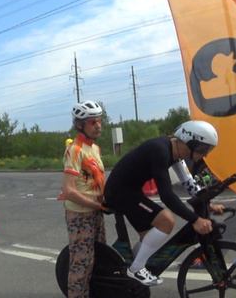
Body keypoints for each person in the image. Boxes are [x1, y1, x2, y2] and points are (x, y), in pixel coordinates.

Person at [103, 120, 224, 286]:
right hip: (120, 193)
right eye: (204, 149)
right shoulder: (160, 150)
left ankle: (129, 271)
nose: (205, 155)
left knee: (148, 237)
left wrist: (207, 203)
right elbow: (167, 195)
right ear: (191, 142)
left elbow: (188, 182)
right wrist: (195, 220)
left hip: (130, 191)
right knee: (166, 220)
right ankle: (135, 270)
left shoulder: (176, 152)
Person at [59, 100, 106, 298]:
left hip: (96, 211)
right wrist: (97, 204)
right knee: (81, 264)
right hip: (80, 214)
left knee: (98, 258)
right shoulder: (75, 150)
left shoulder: (95, 148)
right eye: (92, 122)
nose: (98, 125)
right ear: (80, 125)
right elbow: (69, 190)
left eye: (99, 121)